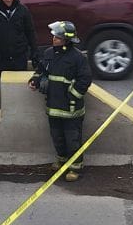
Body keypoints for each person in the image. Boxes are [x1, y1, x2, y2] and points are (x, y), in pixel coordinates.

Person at [29, 21, 91, 181]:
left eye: (57, 37)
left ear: (66, 40)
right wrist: (35, 80)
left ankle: (75, 167)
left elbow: (85, 79)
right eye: (54, 36)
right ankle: (62, 160)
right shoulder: (49, 53)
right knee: (57, 136)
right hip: (53, 106)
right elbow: (41, 70)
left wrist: (72, 95)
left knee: (73, 139)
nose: (53, 39)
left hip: (71, 109)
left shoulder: (78, 58)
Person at [0, 0, 37, 110]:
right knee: (0, 87)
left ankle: (20, 111)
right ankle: (1, 110)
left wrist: (34, 52)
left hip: (19, 57)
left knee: (19, 86)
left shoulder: (23, 11)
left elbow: (30, 32)